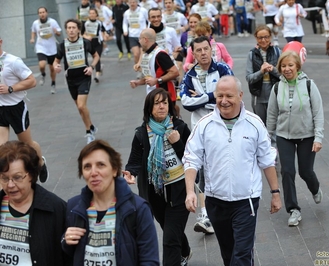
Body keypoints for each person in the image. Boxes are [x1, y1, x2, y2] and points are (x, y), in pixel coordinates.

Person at [183, 75, 282, 265]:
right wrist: (190, 192)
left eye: (229, 96)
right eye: (219, 96)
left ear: (240, 96)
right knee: (228, 254)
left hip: (246, 201)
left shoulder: (254, 124)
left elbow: (267, 160)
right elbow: (191, 158)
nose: (224, 101)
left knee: (242, 255)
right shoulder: (205, 125)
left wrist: (275, 192)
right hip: (215, 201)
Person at [62, 139, 159, 265]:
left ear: (114, 169)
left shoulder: (138, 208)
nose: (93, 172)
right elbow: (68, 255)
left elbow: (150, 260)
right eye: (87, 167)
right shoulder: (74, 207)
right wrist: (65, 241)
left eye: (100, 165)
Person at [124, 88, 192, 265]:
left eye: (165, 102)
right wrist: (130, 174)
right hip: (155, 192)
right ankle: (185, 250)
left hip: (180, 190)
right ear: (149, 108)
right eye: (157, 103)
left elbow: (193, 158)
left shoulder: (180, 128)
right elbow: (134, 161)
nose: (162, 106)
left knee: (169, 239)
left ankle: (176, 258)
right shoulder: (142, 133)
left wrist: (177, 143)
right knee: (169, 228)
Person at [180, 36, 233, 235]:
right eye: (198, 50)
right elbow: (185, 102)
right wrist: (213, 96)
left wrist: (203, 98)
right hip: (200, 128)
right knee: (202, 170)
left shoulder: (222, 70)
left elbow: (229, 95)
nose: (203, 53)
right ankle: (205, 215)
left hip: (224, 125)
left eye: (205, 49)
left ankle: (225, 205)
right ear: (193, 53)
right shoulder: (189, 75)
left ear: (211, 50)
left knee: (223, 165)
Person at [267, 50, 324, 227]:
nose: (287, 69)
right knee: (287, 171)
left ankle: (315, 188)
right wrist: (268, 139)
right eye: (283, 66)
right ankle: (293, 210)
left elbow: (318, 112)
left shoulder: (309, 85)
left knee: (305, 171)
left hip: (307, 135)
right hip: (284, 135)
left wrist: (318, 137)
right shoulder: (276, 88)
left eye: (290, 65)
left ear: (297, 66)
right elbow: (271, 115)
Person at [0, 141, 71, 265]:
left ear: (31, 175)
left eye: (17, 177)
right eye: (4, 178)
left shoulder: (56, 209)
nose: (10, 185)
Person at [0, 37, 49, 183]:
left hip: (16, 108)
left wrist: (10, 89)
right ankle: (4, 185)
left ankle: (41, 162)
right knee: (1, 148)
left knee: (27, 145)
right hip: (0, 109)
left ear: (1, 42)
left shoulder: (13, 61)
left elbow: (32, 81)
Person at [53, 19, 99, 144]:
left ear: (78, 29)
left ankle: (88, 132)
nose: (71, 30)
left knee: (81, 105)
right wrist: (56, 66)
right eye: (69, 28)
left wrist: (92, 67)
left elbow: (96, 56)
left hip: (84, 77)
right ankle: (92, 126)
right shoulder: (62, 45)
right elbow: (56, 60)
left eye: (74, 27)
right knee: (80, 109)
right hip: (71, 79)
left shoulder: (85, 43)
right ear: (66, 30)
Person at [246, 24, 280, 125]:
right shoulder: (252, 54)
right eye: (260, 38)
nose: (263, 40)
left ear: (270, 37)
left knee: (275, 125)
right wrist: (261, 72)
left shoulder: (277, 52)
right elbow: (249, 78)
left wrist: (272, 69)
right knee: (261, 125)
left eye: (266, 37)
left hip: (275, 93)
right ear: (256, 38)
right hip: (258, 95)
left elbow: (284, 75)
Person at [30, 6, 62, 94]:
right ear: (38, 14)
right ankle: (43, 74)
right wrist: (32, 38)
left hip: (52, 48)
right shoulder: (35, 23)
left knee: (52, 69)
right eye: (40, 13)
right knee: (42, 65)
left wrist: (56, 32)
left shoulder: (52, 22)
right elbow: (33, 31)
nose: (42, 14)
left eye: (43, 12)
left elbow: (59, 33)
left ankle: (53, 83)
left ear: (46, 13)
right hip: (41, 47)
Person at [82, 8, 107, 83]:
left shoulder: (99, 22)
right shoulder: (85, 23)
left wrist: (104, 36)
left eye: (93, 13)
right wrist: (86, 37)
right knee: (91, 57)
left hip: (98, 42)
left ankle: (97, 75)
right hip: (89, 42)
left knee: (97, 57)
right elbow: (81, 34)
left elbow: (103, 30)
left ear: (96, 14)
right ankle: (98, 68)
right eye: (90, 13)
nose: (92, 15)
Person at [122, 0, 148, 66]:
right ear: (128, 4)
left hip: (142, 35)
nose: (132, 4)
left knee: (143, 54)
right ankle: (138, 68)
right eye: (130, 3)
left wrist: (148, 29)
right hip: (132, 36)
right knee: (136, 54)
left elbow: (149, 20)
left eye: (133, 2)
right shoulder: (126, 13)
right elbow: (125, 23)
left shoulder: (143, 11)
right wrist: (125, 31)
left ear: (137, 3)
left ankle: (144, 69)